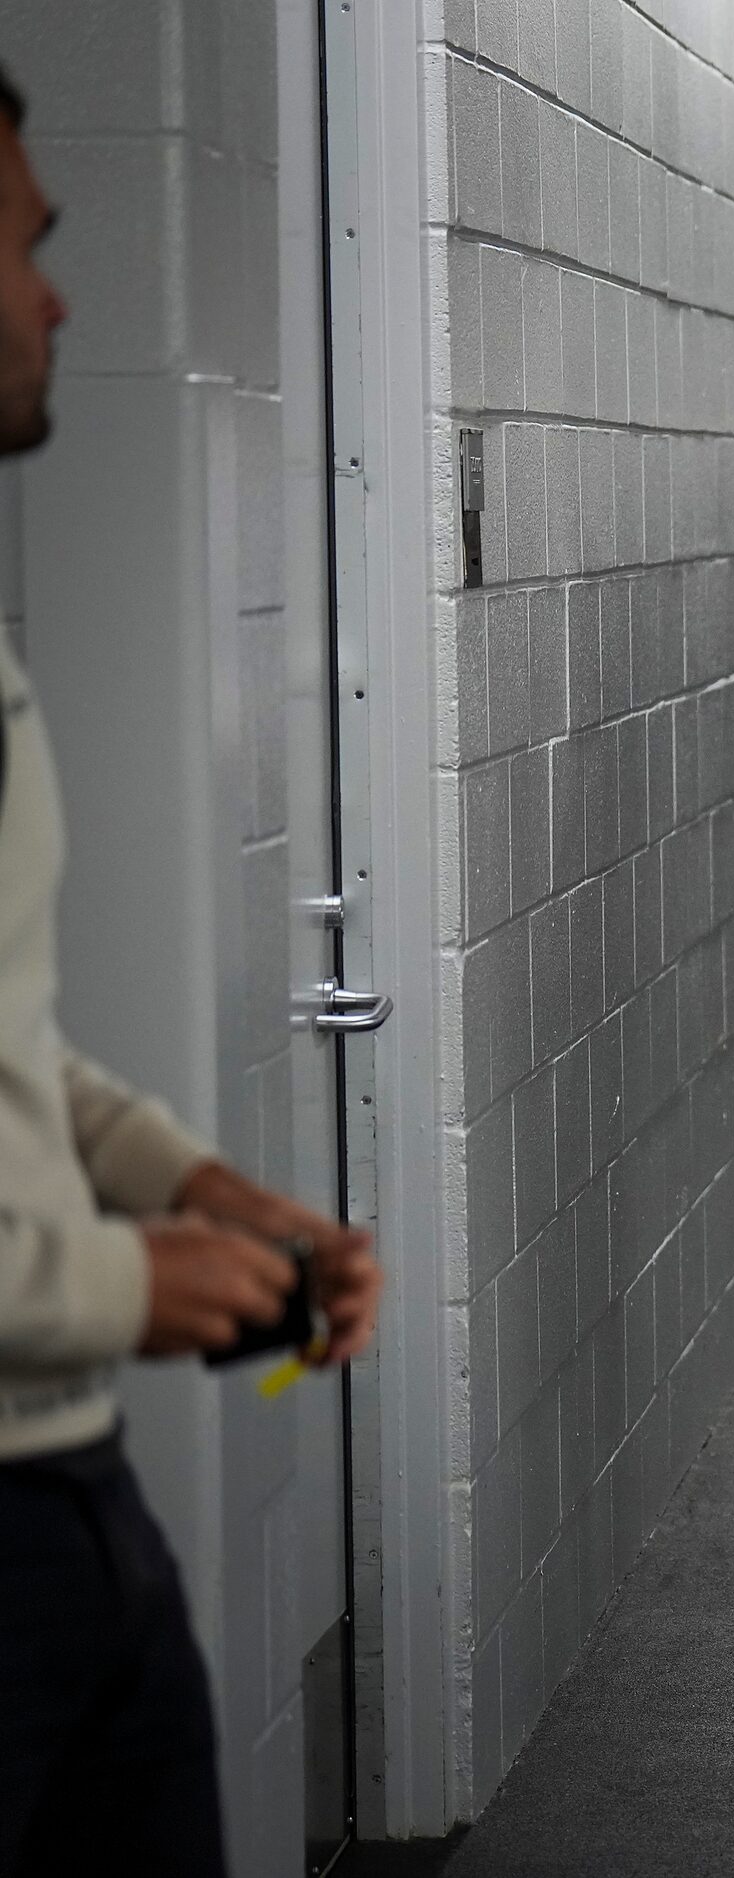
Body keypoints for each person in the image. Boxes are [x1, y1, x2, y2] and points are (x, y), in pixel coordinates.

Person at [0, 65, 384, 1877]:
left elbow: (17, 1052)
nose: (60, 297)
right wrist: (123, 1278)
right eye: (21, 248)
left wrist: (204, 1190)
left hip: (63, 1491)